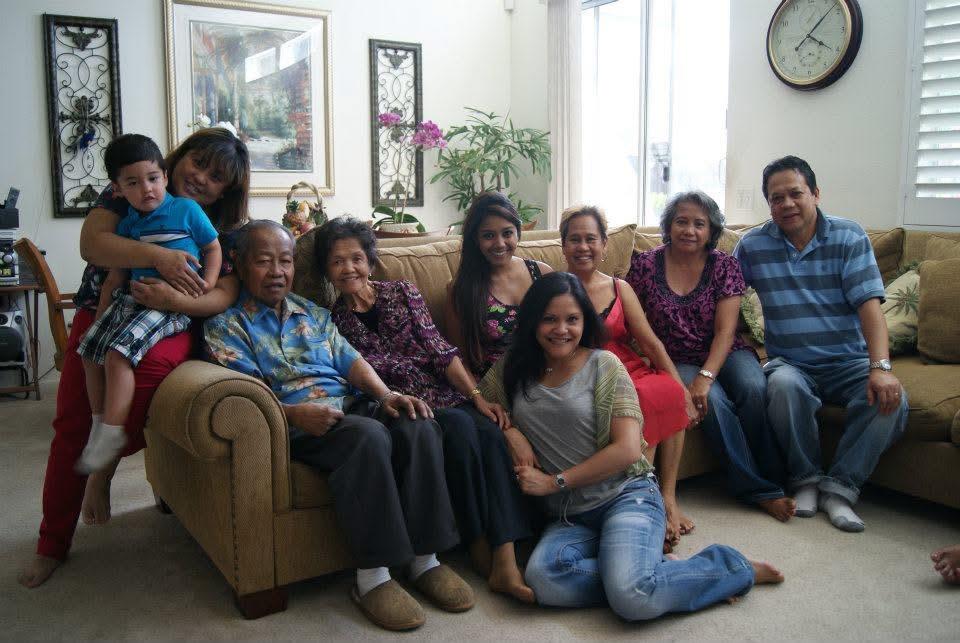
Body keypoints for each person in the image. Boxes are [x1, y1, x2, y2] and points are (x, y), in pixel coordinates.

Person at [205, 220, 473, 631]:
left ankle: (425, 561)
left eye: (286, 261)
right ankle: (372, 579)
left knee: (417, 422)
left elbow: (352, 361)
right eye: (264, 262)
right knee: (366, 437)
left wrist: (387, 396)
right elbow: (247, 392)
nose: (277, 271)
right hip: (295, 422)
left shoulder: (311, 312)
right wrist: (294, 414)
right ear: (239, 265)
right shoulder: (227, 325)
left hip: (350, 406)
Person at [18, 127, 250, 589]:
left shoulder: (219, 230)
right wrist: (157, 258)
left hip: (169, 321)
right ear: (176, 160)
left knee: (147, 377)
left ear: (228, 189)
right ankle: (52, 543)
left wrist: (177, 300)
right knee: (72, 423)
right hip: (104, 310)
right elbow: (94, 245)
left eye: (217, 176)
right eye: (197, 163)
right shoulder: (129, 189)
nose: (201, 178)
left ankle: (103, 469)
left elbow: (224, 292)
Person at [479, 272, 784, 620]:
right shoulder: (515, 368)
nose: (560, 329)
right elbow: (478, 401)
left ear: (585, 322)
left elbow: (627, 450)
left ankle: (729, 566)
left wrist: (553, 482)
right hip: (570, 516)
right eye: (549, 318)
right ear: (533, 319)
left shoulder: (603, 365)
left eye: (572, 319)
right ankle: (660, 573)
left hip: (625, 496)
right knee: (545, 580)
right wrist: (511, 432)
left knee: (632, 599)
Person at [316, 217, 534, 603]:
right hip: (405, 407)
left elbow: (441, 350)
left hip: (443, 392)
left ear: (370, 259)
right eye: (337, 262)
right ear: (327, 270)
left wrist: (478, 396)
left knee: (487, 430)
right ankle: (478, 539)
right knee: (463, 432)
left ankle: (504, 548)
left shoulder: (401, 291)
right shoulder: (331, 322)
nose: (349, 268)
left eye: (356, 258)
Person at [734, 155, 908, 532]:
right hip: (791, 363)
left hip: (848, 360)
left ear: (815, 192)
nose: (786, 204)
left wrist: (880, 368)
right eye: (776, 198)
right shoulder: (753, 245)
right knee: (780, 386)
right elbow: (724, 296)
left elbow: (870, 309)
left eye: (795, 193)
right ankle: (806, 479)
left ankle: (841, 488)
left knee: (893, 400)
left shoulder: (848, 236)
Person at [626, 192, 796, 522]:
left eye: (699, 224)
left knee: (753, 386)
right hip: (676, 357)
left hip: (724, 350)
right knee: (713, 404)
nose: (689, 230)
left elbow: (726, 332)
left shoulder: (725, 265)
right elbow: (634, 320)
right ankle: (757, 490)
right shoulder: (646, 265)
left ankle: (774, 473)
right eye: (681, 221)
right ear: (669, 226)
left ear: (711, 230)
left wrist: (706, 378)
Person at [76, 134, 222, 473]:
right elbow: (116, 275)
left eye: (153, 179)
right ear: (118, 188)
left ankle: (112, 432)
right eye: (134, 183)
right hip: (131, 301)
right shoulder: (128, 222)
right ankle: (99, 424)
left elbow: (213, 247)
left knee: (116, 356)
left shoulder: (186, 209)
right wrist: (101, 316)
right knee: (88, 353)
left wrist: (206, 284)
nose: (147, 190)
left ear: (165, 176)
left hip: (169, 306)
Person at [559, 205, 696, 547]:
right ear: (563, 246)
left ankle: (667, 496)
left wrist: (682, 388)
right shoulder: (553, 287)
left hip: (629, 366)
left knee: (666, 392)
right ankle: (645, 501)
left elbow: (649, 342)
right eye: (574, 239)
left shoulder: (620, 288)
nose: (583, 247)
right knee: (637, 401)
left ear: (604, 245)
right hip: (588, 372)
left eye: (591, 239)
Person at [445, 191, 553, 378]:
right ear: (475, 239)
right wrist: (480, 399)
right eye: (488, 235)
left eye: (507, 233)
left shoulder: (543, 275)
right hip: (497, 389)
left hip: (548, 380)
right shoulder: (461, 290)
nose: (500, 243)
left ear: (518, 233)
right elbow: (459, 361)